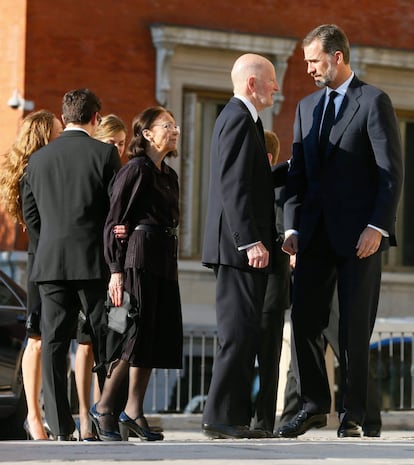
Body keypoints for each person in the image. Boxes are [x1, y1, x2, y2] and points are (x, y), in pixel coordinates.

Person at [277, 24, 403, 439]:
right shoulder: (305, 107)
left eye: (314, 61)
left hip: (359, 238)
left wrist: (377, 227)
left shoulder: (373, 101)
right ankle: (313, 406)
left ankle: (353, 414)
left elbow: (390, 173)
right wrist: (290, 226)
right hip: (312, 235)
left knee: (352, 328)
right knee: (306, 322)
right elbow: (298, 175)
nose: (309, 69)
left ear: (337, 57)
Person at [21, 88, 121, 441]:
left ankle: (62, 428)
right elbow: (115, 212)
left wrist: (48, 242)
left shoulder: (38, 159)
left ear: (64, 117)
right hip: (94, 262)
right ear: (96, 118)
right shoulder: (106, 153)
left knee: (53, 343)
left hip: (49, 262)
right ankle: (106, 418)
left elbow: (30, 215)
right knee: (105, 338)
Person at [201, 53, 287, 440]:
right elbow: (233, 185)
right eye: (271, 80)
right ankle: (218, 417)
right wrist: (250, 240)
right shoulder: (237, 118)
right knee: (237, 333)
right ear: (252, 83)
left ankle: (231, 418)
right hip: (238, 249)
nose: (277, 87)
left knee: (245, 332)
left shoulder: (245, 120)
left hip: (239, 247)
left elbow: (254, 182)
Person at [89, 106, 183, 442]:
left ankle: (133, 410)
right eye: (167, 125)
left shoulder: (168, 175)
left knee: (153, 337)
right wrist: (115, 271)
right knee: (132, 332)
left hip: (163, 260)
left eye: (174, 125)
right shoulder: (135, 169)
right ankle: (103, 408)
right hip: (137, 261)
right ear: (146, 133)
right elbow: (114, 222)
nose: (174, 130)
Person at [0, 110, 63, 440]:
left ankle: (46, 416)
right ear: (44, 136)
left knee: (49, 341)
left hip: (49, 262)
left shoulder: (47, 169)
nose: (63, 134)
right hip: (42, 264)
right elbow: (37, 229)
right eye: (58, 130)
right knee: (36, 340)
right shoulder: (32, 175)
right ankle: (34, 418)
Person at [278, 270, 382, 437]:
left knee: (347, 351)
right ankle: (290, 417)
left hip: (333, 277)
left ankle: (368, 419)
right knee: (301, 357)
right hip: (305, 271)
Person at [252, 130, 291, 436]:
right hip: (270, 282)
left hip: (269, 281)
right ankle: (261, 421)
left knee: (265, 353)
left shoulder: (275, 185)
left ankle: (260, 421)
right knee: (268, 355)